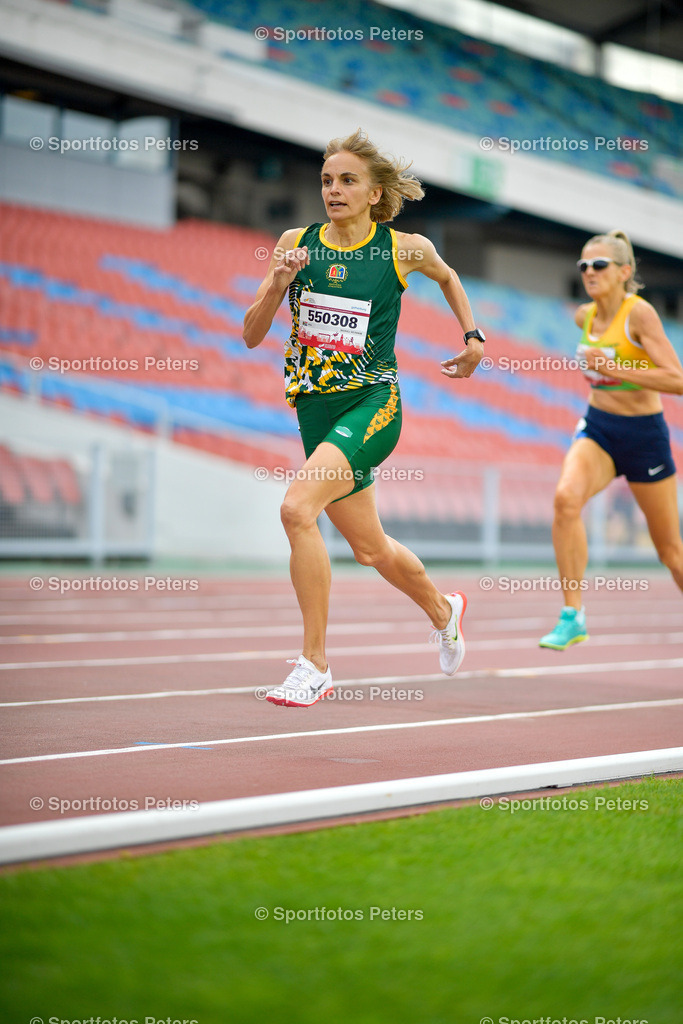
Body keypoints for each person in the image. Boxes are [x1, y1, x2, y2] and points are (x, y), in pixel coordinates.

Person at [243, 128, 485, 706]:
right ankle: (443, 610)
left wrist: (473, 338)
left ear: (375, 193)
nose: (333, 190)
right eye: (327, 180)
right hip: (314, 410)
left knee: (296, 510)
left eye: (348, 180)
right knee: (371, 549)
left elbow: (448, 276)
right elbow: (251, 335)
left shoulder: (403, 249)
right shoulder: (295, 243)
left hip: (373, 404)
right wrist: (279, 283)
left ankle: (315, 665)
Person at [539, 229, 683, 650]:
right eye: (583, 265)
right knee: (565, 500)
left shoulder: (640, 315)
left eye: (599, 265)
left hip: (644, 436)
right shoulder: (584, 316)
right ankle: (573, 616)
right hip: (599, 427)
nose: (589, 272)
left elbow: (677, 379)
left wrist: (615, 369)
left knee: (670, 552)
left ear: (624, 271)